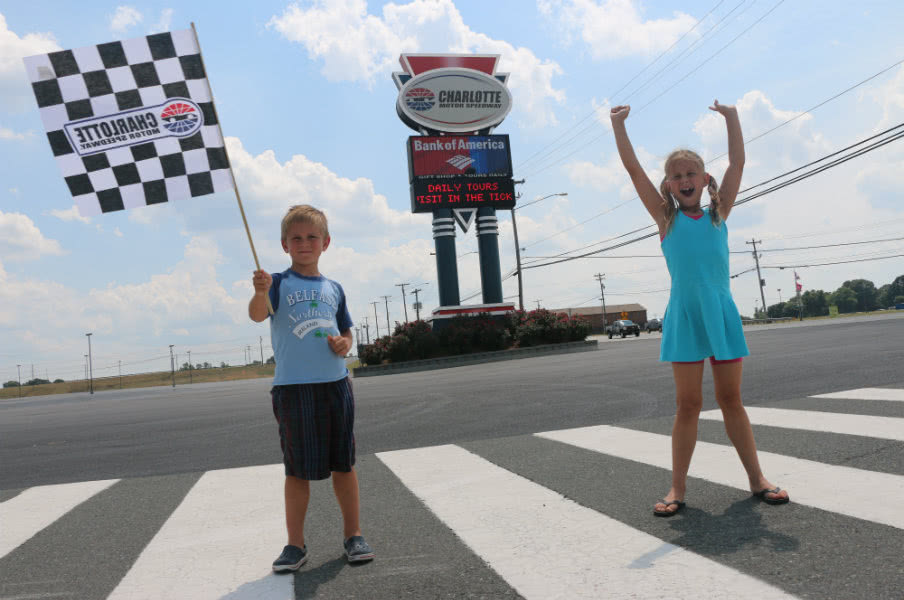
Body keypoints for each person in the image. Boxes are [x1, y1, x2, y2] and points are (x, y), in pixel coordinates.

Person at [610, 100, 790, 516]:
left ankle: (757, 479)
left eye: (691, 173)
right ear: (669, 186)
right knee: (688, 404)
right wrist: (618, 126)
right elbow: (633, 170)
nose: (684, 179)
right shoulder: (665, 220)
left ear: (704, 178)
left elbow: (739, 163)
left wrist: (732, 118)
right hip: (685, 316)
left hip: (721, 312)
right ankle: (677, 489)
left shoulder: (718, 214)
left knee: (732, 400)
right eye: (676, 176)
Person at [249, 204, 375, 570]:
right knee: (297, 470)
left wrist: (345, 343)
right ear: (285, 245)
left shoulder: (333, 288)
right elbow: (258, 314)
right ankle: (295, 545)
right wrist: (260, 291)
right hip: (293, 388)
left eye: (311, 237)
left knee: (344, 464)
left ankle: (354, 535)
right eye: (296, 238)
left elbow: (346, 330)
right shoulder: (277, 283)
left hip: (335, 385)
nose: (304, 243)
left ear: (326, 242)